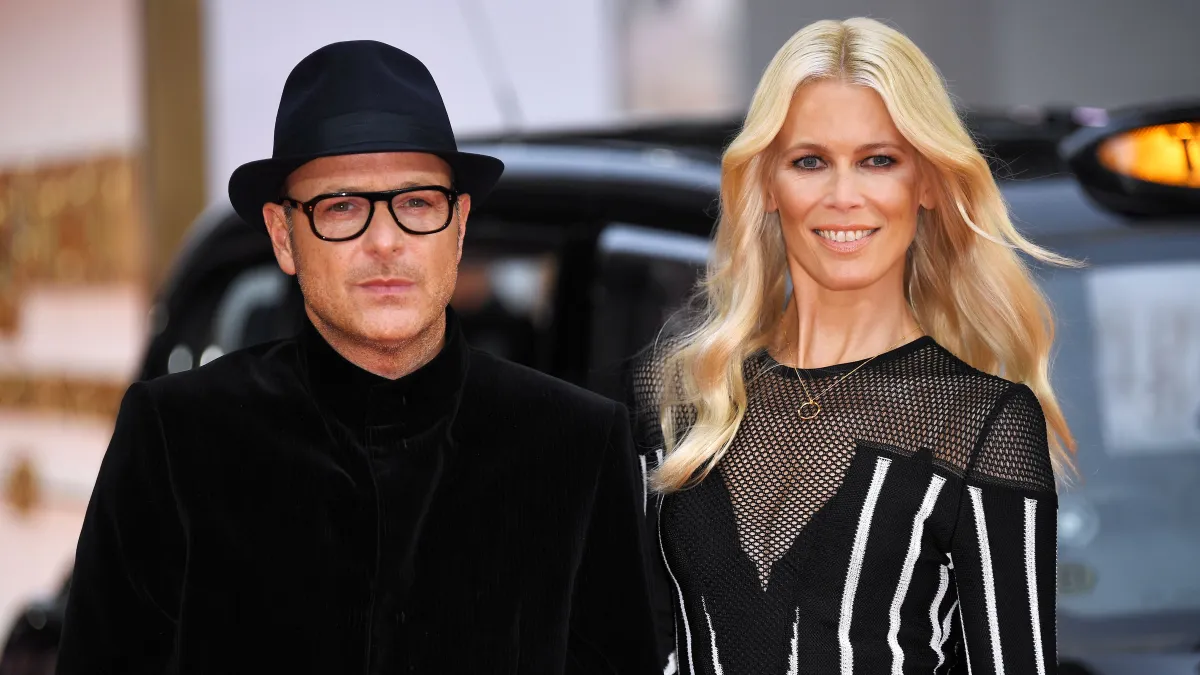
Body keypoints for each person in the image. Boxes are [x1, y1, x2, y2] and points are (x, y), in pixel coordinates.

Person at [58, 40, 661, 674]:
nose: (385, 242)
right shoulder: (176, 440)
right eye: (342, 207)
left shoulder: (576, 447)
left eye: (417, 202)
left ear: (459, 227)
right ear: (283, 237)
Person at [631, 17, 1075, 674]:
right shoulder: (679, 396)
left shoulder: (980, 421)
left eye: (878, 161)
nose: (843, 197)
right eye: (810, 162)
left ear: (927, 183)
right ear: (768, 185)